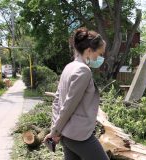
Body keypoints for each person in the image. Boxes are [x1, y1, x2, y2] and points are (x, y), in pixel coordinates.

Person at [44, 27, 109, 160]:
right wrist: (54, 132)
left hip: (67, 135)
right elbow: (68, 105)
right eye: (99, 54)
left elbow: (57, 101)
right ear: (89, 50)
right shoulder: (83, 71)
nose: (100, 58)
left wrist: (55, 129)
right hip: (78, 135)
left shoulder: (69, 67)